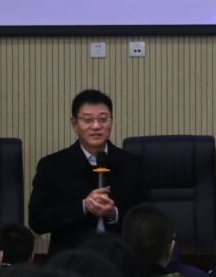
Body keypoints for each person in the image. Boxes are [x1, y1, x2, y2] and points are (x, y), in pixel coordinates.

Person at [28, 89, 148, 254]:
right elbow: (37, 221)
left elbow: (146, 216)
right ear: (74, 124)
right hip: (71, 258)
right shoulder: (52, 166)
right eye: (87, 120)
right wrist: (83, 206)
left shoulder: (132, 164)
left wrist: (114, 213)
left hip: (120, 257)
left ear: (111, 121)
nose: (96, 126)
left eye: (103, 119)